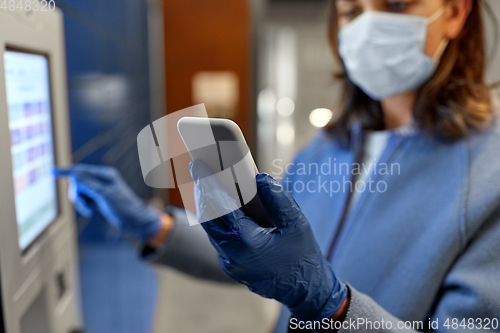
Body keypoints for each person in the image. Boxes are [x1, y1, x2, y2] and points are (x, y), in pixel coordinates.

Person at [55, 0, 500, 332]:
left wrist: (332, 307)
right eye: (351, 11)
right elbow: (265, 254)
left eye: (397, 4)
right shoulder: (328, 147)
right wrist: (153, 226)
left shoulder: (489, 172)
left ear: (456, 13)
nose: (368, 25)